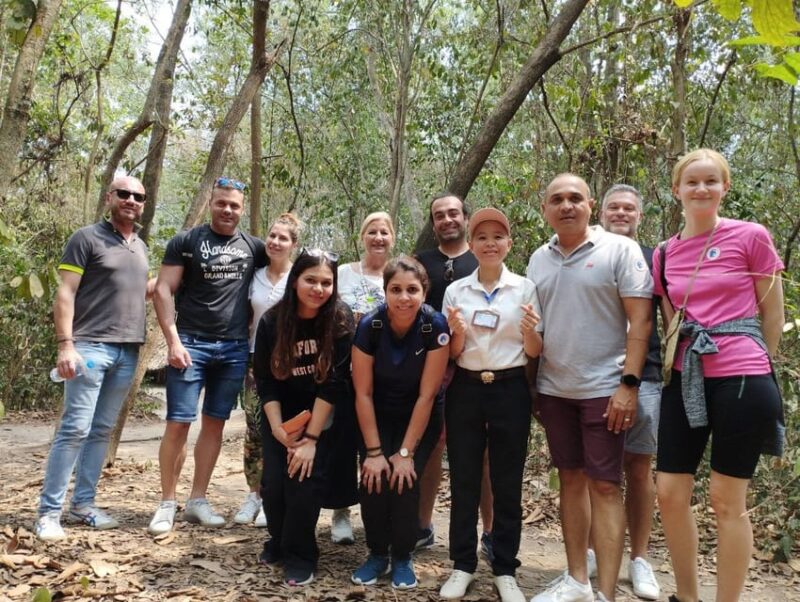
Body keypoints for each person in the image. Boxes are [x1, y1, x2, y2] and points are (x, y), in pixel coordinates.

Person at [653, 149, 784, 602]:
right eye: (692, 182)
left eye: (712, 181)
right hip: (686, 374)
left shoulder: (751, 237)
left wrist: (758, 362)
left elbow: (772, 311)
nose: (702, 189)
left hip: (743, 377)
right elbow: (672, 322)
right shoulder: (664, 253)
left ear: (725, 187)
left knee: (727, 501)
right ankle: (687, 596)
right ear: (677, 191)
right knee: (669, 492)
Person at [527, 174, 653, 602]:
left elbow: (642, 321)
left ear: (590, 204)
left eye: (574, 198)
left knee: (605, 485)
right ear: (545, 208)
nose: (566, 206)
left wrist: (629, 385)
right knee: (570, 479)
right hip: (555, 389)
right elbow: (535, 329)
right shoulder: (537, 259)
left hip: (606, 388)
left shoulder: (620, 250)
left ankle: (606, 593)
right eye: (557, 199)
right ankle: (578, 579)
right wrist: (533, 390)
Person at [34, 176, 151, 541]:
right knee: (75, 429)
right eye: (124, 194)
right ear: (109, 198)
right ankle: (48, 513)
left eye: (138, 196)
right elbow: (65, 294)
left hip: (127, 350)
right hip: (89, 347)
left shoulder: (141, 246)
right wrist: (65, 345)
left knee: (101, 430)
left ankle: (83, 505)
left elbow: (137, 292)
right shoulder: (85, 238)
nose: (131, 200)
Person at [148, 177, 267, 536]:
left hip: (232, 349)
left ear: (242, 209)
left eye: (234, 205)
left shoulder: (254, 247)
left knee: (214, 424)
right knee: (178, 423)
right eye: (222, 203)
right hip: (190, 344)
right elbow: (164, 289)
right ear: (211, 203)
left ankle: (197, 500)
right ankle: (167, 502)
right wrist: (172, 341)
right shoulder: (187, 242)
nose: (227, 210)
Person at [439, 208, 542, 602]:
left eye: (498, 236)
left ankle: (505, 569)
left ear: (509, 244)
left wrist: (531, 333)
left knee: (506, 481)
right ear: (472, 243)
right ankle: (462, 564)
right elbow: (453, 353)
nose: (489, 243)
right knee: (464, 477)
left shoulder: (525, 288)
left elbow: (534, 350)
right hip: (466, 388)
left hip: (510, 387)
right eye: (481, 236)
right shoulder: (456, 291)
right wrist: (457, 335)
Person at [253, 249, 354, 586]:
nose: (318, 288)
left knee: (303, 484)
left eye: (327, 282)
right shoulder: (272, 321)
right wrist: (279, 430)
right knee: (274, 486)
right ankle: (279, 542)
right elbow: (266, 383)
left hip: (322, 413)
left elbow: (335, 384)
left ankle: (301, 554)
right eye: (311, 280)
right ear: (295, 280)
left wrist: (310, 439)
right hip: (281, 411)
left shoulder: (340, 319)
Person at [350, 256, 449, 589]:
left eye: (412, 290)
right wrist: (375, 452)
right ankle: (377, 553)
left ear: (424, 292)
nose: (404, 298)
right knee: (373, 478)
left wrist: (405, 453)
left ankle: (403, 556)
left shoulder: (434, 326)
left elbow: (427, 395)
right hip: (375, 412)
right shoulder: (370, 327)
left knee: (404, 480)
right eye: (396, 290)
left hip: (419, 414)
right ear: (385, 291)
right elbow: (362, 393)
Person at [415, 193, 494, 557]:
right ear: (433, 224)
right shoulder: (422, 262)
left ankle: (491, 533)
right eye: (439, 215)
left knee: (482, 453)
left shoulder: (482, 258)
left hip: (477, 368)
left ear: (465, 217)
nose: (446, 219)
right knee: (430, 446)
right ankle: (421, 526)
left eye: (452, 213)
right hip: (431, 367)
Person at [597, 184, 662, 600]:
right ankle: (589, 552)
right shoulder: (588, 252)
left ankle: (639, 559)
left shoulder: (656, 258)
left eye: (629, 208)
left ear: (639, 215)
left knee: (639, 467)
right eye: (613, 207)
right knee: (595, 471)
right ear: (600, 212)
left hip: (648, 375)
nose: (621, 213)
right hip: (595, 375)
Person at [326, 211, 395, 543]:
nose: (378, 237)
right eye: (372, 231)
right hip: (343, 368)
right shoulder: (342, 274)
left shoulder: (397, 275)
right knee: (341, 441)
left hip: (385, 372)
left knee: (375, 443)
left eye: (384, 232)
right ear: (362, 236)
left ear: (392, 238)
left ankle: (377, 511)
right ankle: (341, 513)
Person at [234, 213, 302, 527]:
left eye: (283, 238)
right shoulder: (254, 275)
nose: (275, 242)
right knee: (255, 429)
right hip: (254, 361)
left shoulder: (299, 278)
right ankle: (253, 495)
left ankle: (277, 497)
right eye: (272, 236)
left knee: (286, 430)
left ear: (294, 245)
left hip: (293, 363)